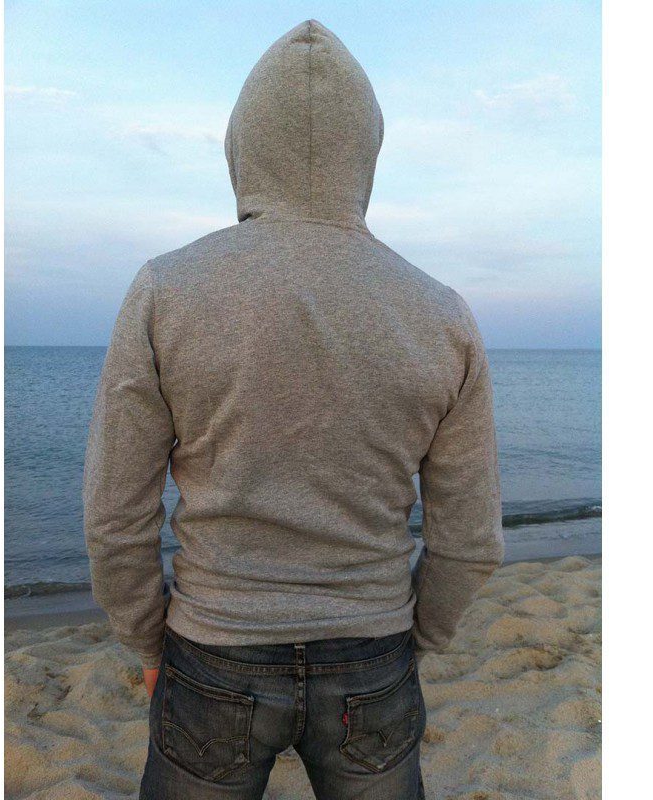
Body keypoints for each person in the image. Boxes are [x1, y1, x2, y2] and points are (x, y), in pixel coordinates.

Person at [84, 19, 504, 800]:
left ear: (241, 146)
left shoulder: (167, 290)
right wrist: (415, 641)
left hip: (212, 652)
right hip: (373, 654)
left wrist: (146, 642)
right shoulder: (442, 314)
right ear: (367, 152)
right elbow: (471, 540)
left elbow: (115, 516)